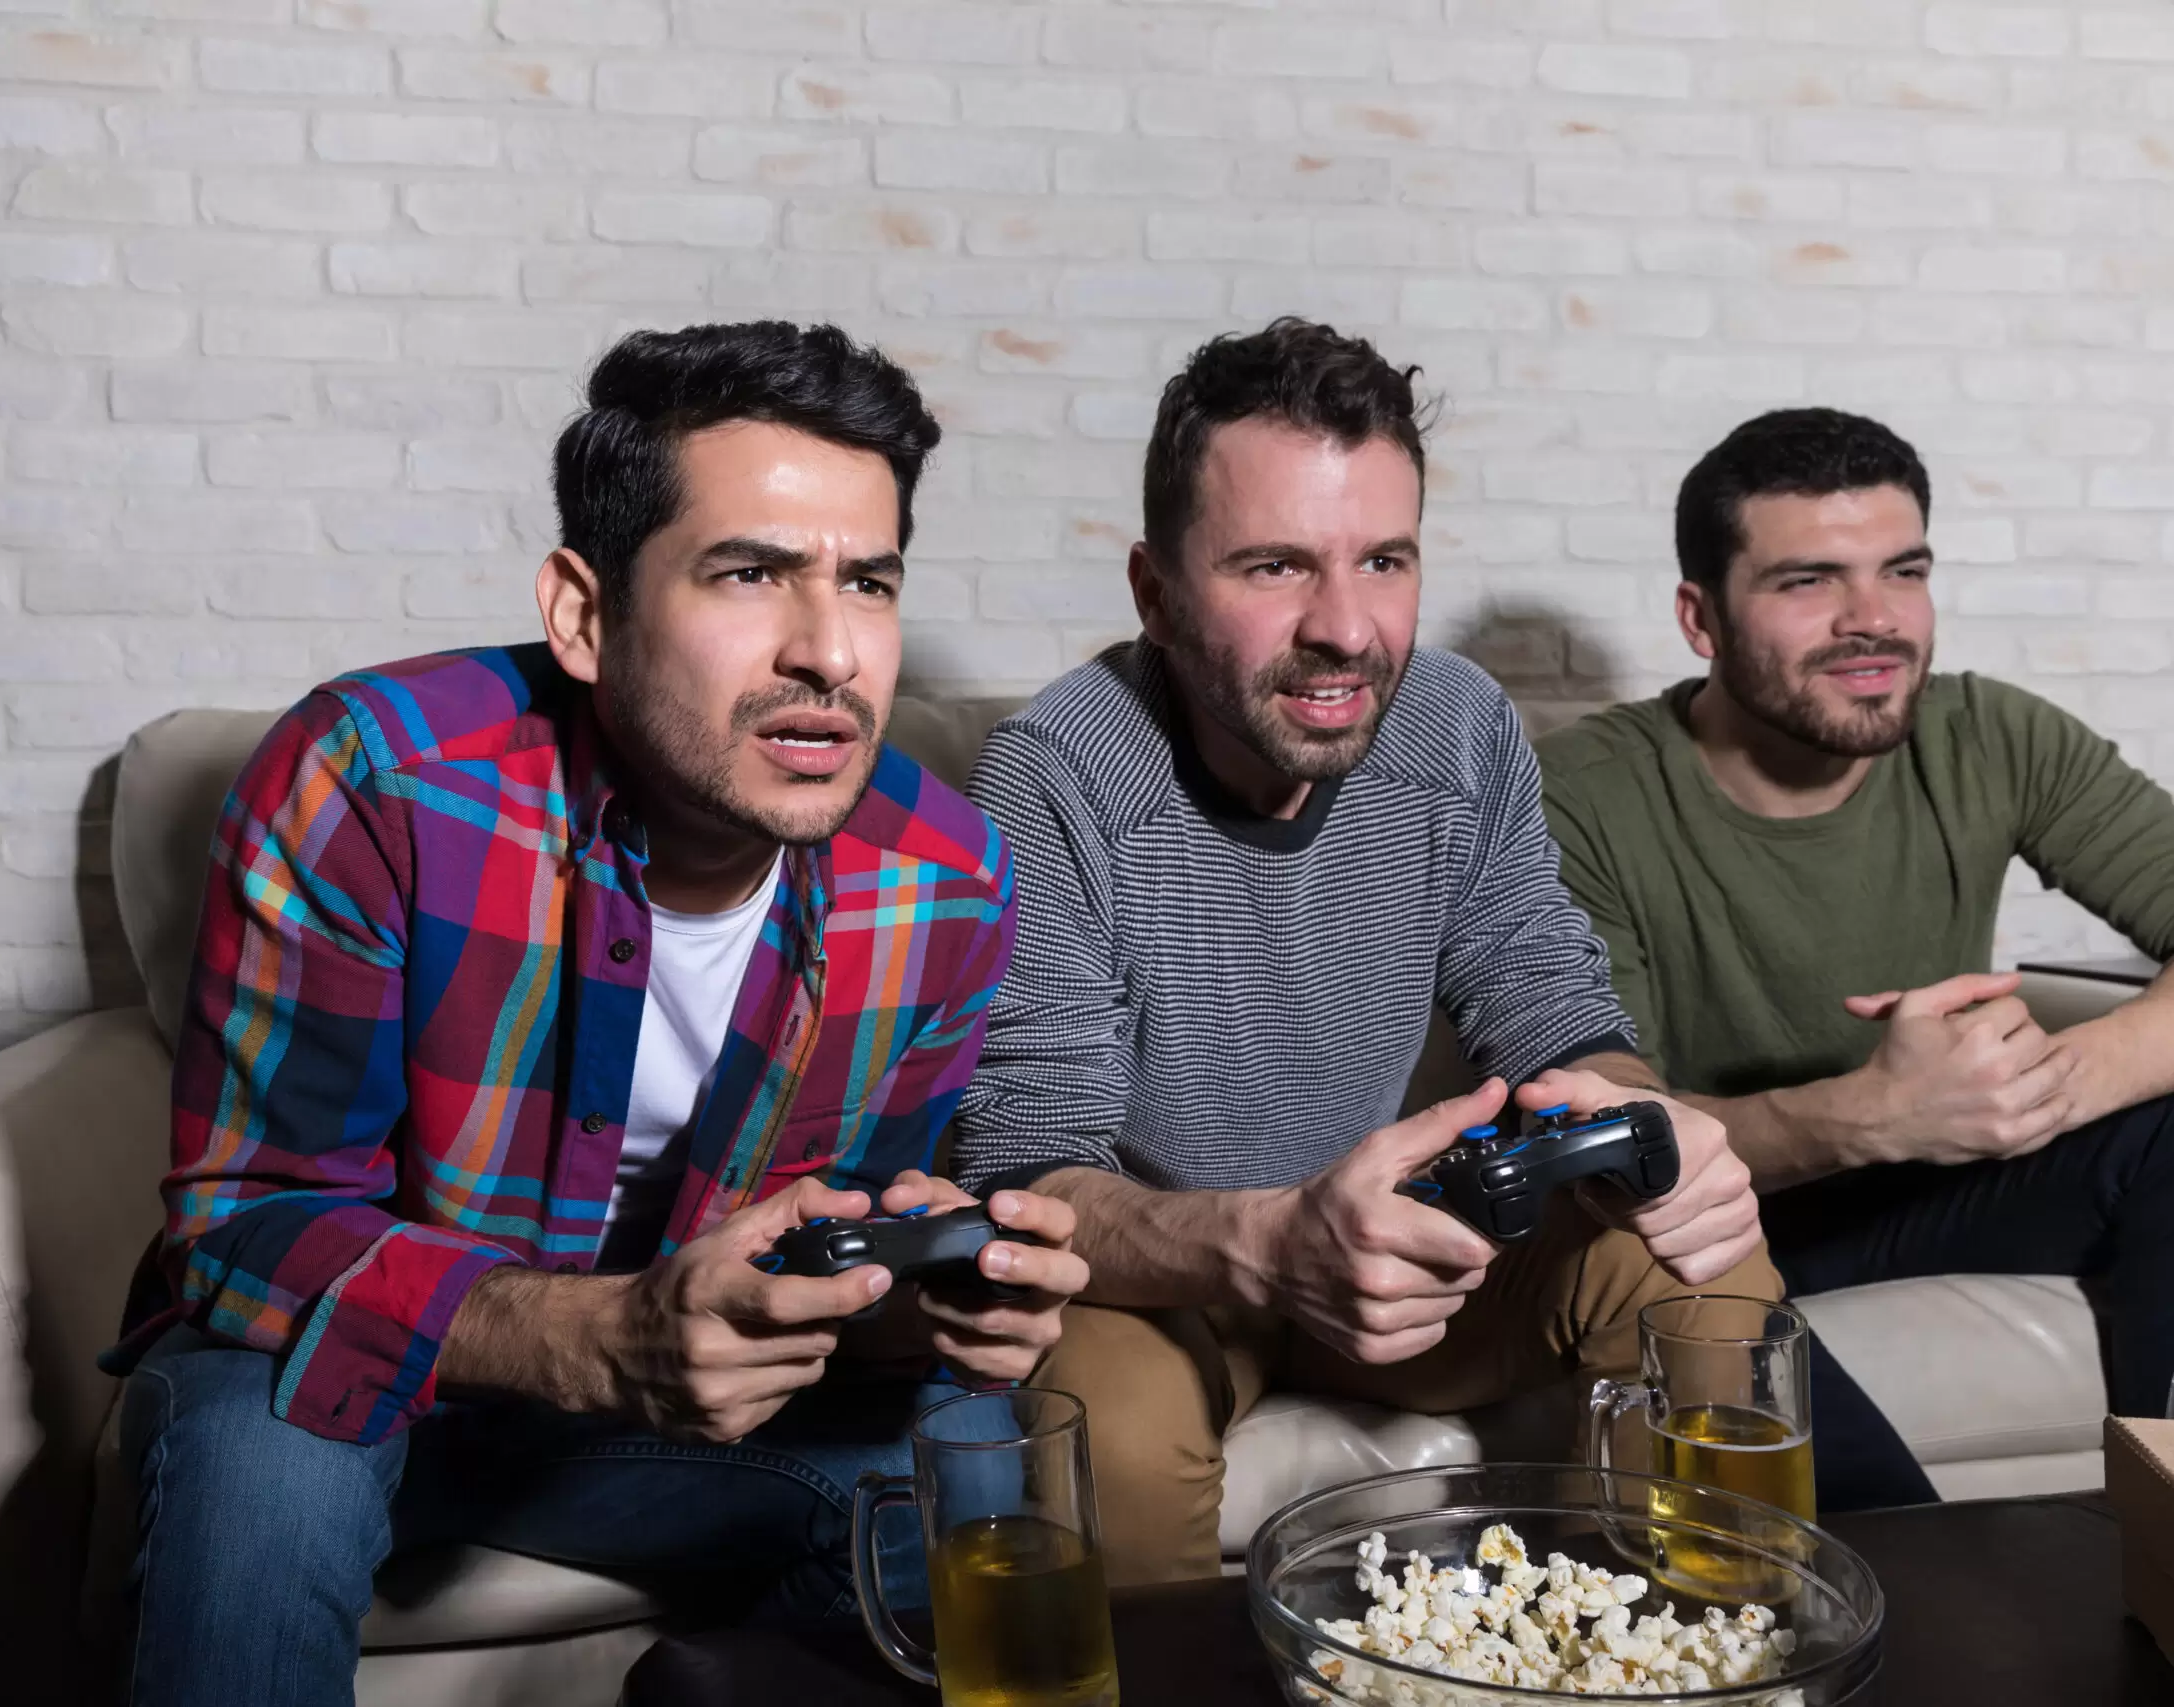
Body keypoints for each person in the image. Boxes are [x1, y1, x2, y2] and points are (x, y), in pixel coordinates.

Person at [102, 321, 1089, 1707]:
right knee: (266, 1453)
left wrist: (929, 1296)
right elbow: (241, 1222)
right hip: (352, 1383)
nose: (828, 651)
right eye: (749, 573)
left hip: (656, 1428)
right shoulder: (378, 782)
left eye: (867, 581)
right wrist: (591, 1334)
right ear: (584, 611)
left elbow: (834, 1239)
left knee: (971, 1443)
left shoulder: (942, 878)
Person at [946, 319, 1771, 1586]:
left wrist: (1651, 1127)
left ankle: (1711, 1657)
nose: (1346, 628)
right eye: (1274, 567)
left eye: (1382, 559)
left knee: (1700, 1256)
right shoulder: (1057, 770)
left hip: (1413, 1247)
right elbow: (1031, 1174)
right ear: (1155, 594)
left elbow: (1543, 997)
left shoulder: (1452, 722)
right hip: (1173, 1272)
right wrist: (1271, 1242)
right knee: (1100, 1427)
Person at [1537, 406, 2174, 1502]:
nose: (1872, 620)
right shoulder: (1582, 798)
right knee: (1660, 1248)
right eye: (1807, 582)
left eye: (1903, 570)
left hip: (1925, 1189)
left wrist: (2043, 1087)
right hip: (1709, 1221)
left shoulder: (1988, 736)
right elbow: (1605, 1139)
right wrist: (1869, 1114)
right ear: (1701, 619)